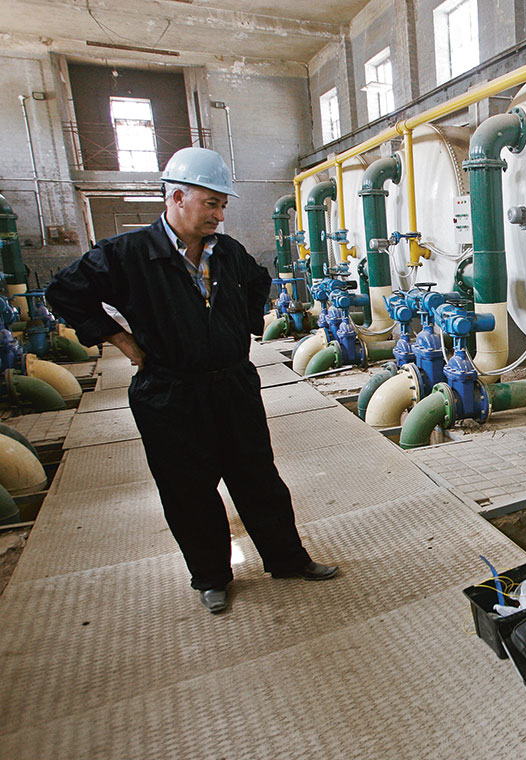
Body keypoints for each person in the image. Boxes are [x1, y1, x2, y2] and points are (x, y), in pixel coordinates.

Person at [46, 147, 338, 614]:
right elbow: (63, 291)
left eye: (223, 205)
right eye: (212, 204)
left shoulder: (229, 254)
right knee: (188, 490)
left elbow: (260, 282)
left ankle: (287, 559)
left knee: (259, 479)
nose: (220, 215)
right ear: (178, 197)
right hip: (169, 391)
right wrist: (120, 340)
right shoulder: (127, 254)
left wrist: (238, 328)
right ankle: (212, 576)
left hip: (232, 385)